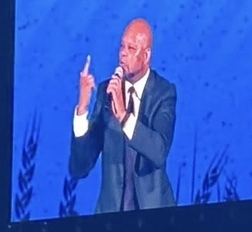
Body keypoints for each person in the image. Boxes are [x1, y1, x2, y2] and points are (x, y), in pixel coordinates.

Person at [69, 18, 177, 213]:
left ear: (146, 55)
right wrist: (82, 108)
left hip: (154, 213)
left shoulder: (164, 92)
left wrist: (123, 115)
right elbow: (80, 167)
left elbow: (159, 152)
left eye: (131, 48)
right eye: (122, 46)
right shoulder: (106, 93)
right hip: (112, 214)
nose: (123, 53)